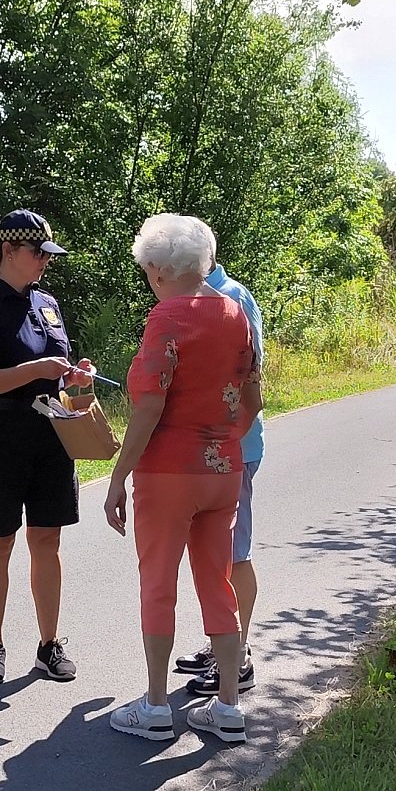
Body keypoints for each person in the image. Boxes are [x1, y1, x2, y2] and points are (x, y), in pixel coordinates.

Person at [103, 213, 261, 744]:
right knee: (217, 581)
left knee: (158, 583)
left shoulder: (166, 317)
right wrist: (221, 440)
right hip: (223, 467)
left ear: (156, 267)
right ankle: (228, 707)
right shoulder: (235, 313)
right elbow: (252, 397)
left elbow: (148, 407)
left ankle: (153, 707)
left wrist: (117, 476)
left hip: (168, 472)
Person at [0, 210, 94, 684]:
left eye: (49, 255)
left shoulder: (47, 303)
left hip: (49, 438)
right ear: (8, 252)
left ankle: (49, 644)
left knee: (47, 541)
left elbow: (56, 366)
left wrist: (74, 375)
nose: (44, 263)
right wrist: (33, 372)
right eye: (38, 254)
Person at [175, 244, 266, 696]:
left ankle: (241, 655)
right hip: (208, 450)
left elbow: (252, 378)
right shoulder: (200, 295)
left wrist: (230, 440)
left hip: (234, 448)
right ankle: (221, 647)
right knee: (215, 557)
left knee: (233, 553)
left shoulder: (230, 298)